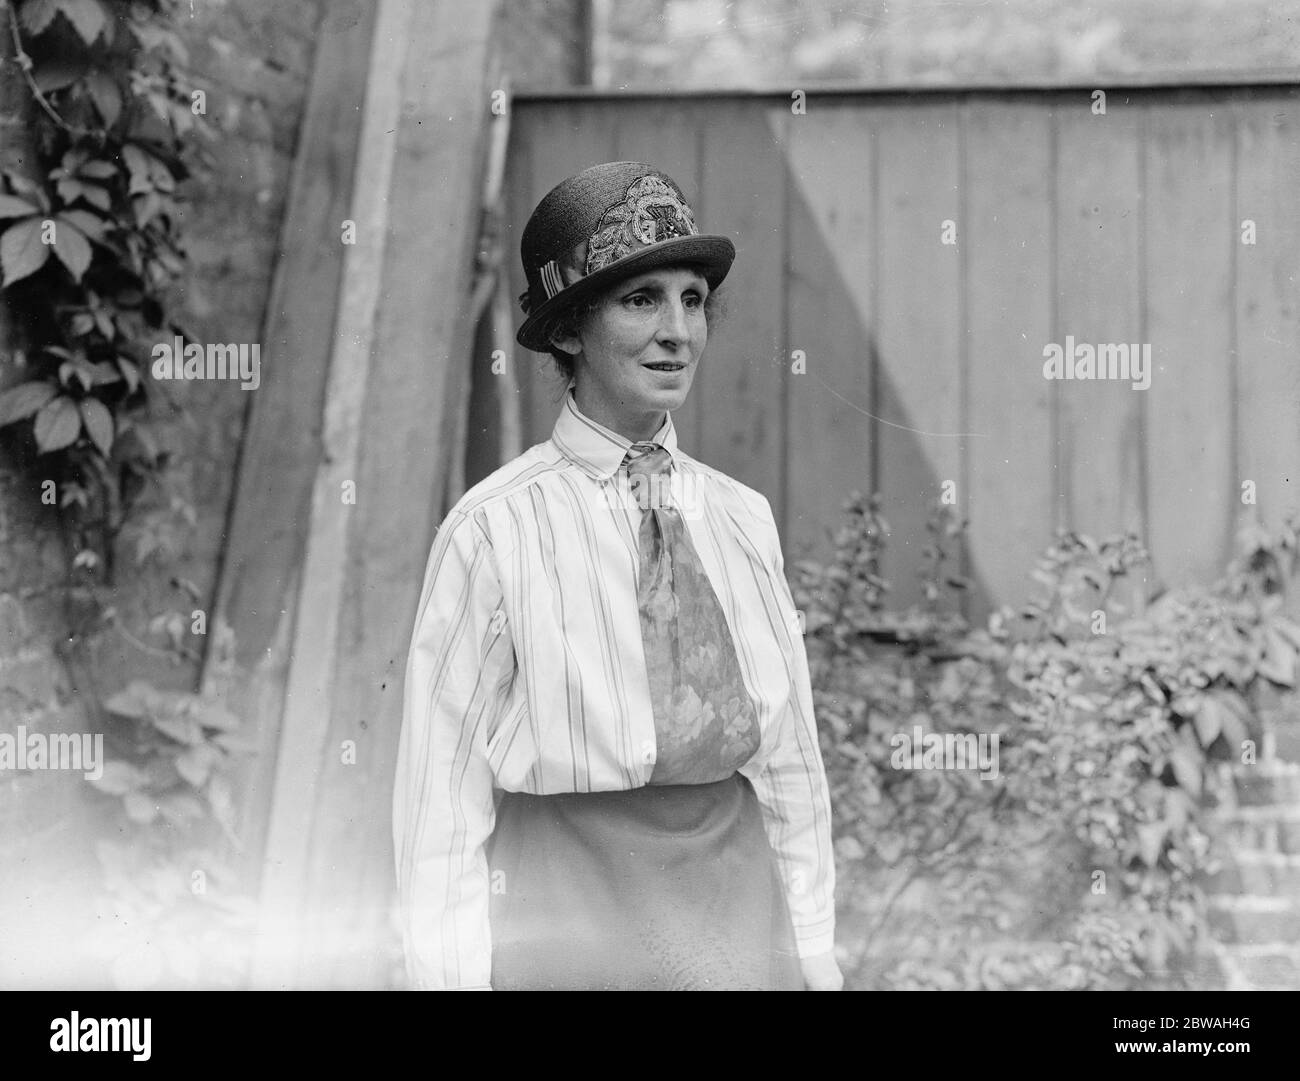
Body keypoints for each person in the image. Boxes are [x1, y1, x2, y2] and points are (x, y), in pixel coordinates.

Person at [392, 160, 840, 991]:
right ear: (568, 330)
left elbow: (789, 764)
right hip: (567, 913)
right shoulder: (495, 529)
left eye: (693, 300)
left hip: (734, 913)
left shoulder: (742, 518)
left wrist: (814, 959)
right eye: (641, 300)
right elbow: (439, 800)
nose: (678, 330)